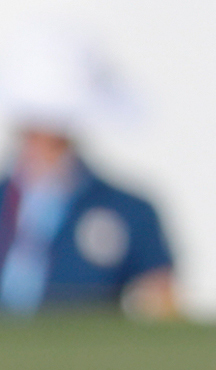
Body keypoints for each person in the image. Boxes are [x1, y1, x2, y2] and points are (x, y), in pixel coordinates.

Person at [0, 23, 181, 320]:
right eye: (31, 131)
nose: (41, 146)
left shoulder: (128, 211)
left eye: (54, 134)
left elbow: (161, 302)